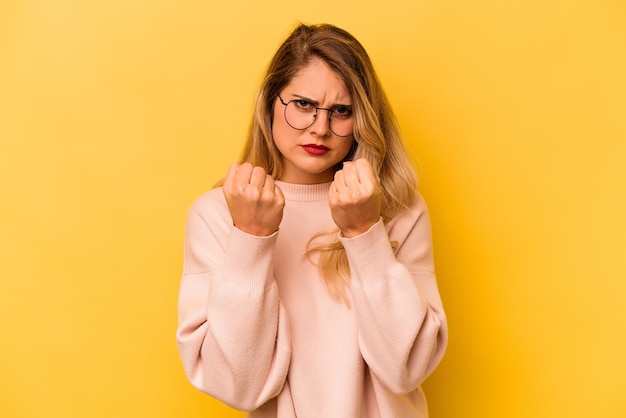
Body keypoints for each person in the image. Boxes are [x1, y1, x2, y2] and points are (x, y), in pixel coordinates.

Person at [176, 23, 448, 418]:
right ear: (270, 102)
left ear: (362, 119)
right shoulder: (219, 214)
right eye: (303, 104)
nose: (320, 128)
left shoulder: (397, 208)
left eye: (341, 111)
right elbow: (239, 386)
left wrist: (364, 233)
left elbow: (406, 369)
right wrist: (251, 238)